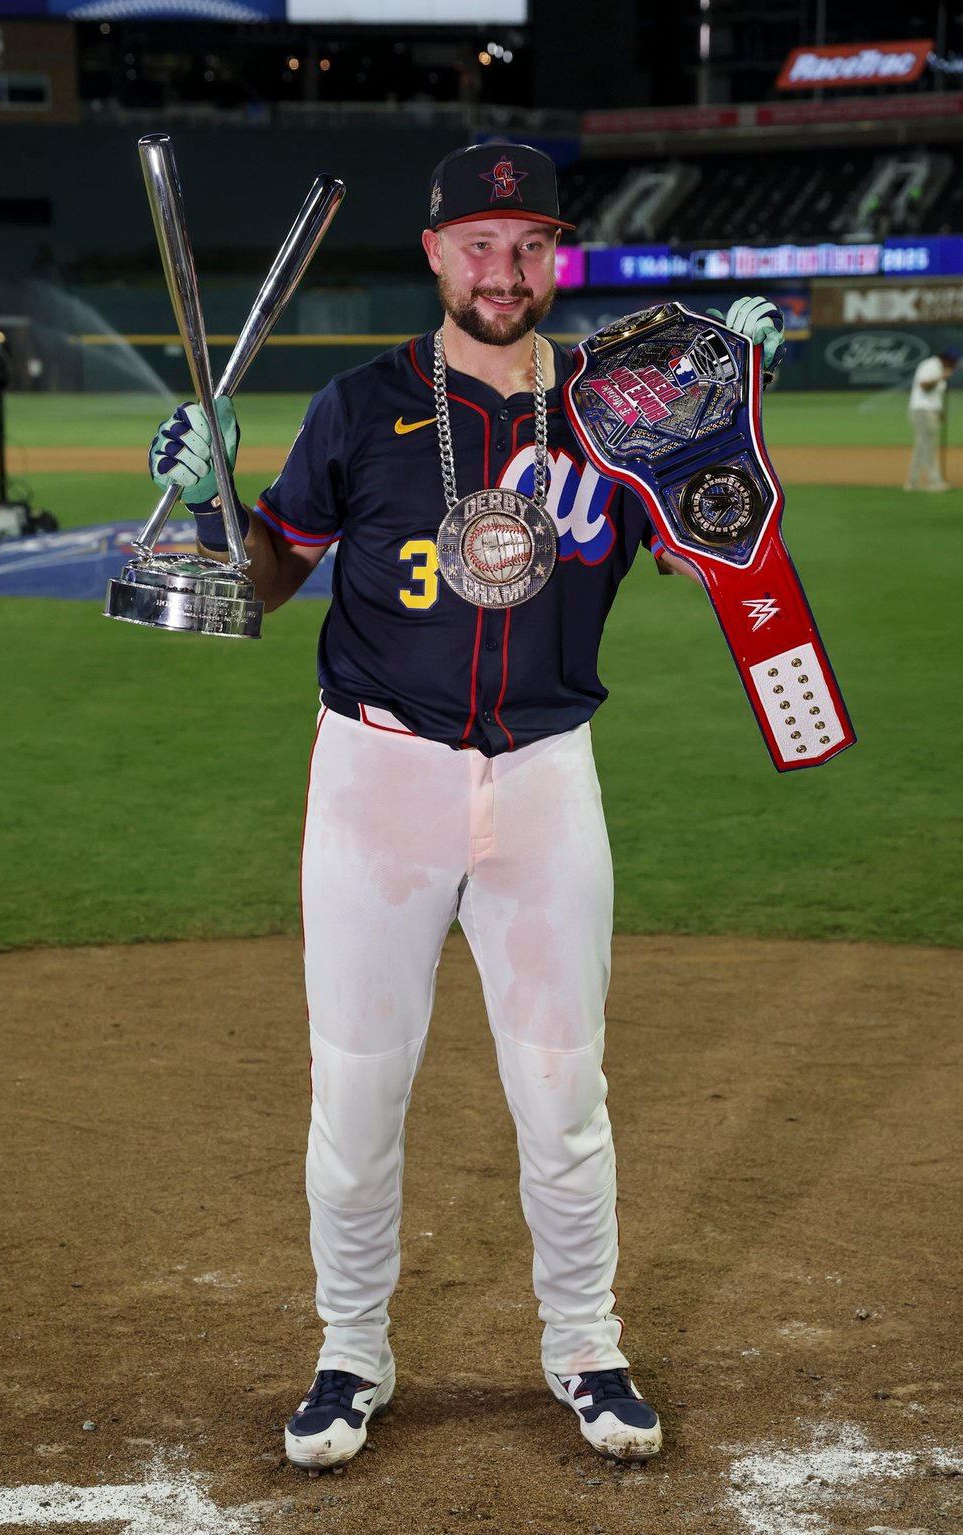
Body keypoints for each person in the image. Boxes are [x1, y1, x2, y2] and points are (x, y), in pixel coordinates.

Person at [149, 143, 785, 1474]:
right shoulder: (361, 404)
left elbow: (715, 546)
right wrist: (215, 506)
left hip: (549, 776)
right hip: (379, 777)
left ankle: (585, 1344)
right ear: (435, 253)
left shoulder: (620, 418)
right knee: (359, 1090)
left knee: (563, 1089)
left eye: (530, 241)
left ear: (558, 255)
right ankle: (350, 1350)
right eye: (479, 242)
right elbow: (262, 586)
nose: (505, 268)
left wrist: (720, 419)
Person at [904, 346, 960, 492]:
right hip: (922, 410)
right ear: (948, 360)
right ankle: (932, 480)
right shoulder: (930, 365)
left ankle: (914, 481)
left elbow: (935, 395)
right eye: (954, 362)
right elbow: (923, 385)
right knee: (925, 446)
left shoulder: (941, 368)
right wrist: (942, 377)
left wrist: (939, 411)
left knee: (924, 446)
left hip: (930, 411)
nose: (955, 365)